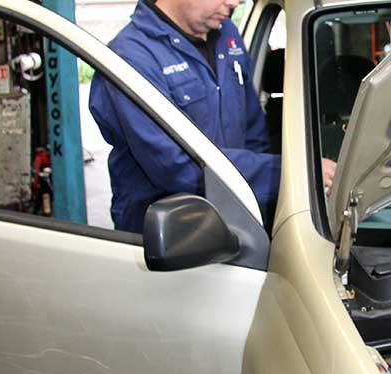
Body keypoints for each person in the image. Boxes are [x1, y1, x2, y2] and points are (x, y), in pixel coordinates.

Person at [90, 0, 336, 233]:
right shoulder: (131, 57)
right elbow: (176, 166)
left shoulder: (226, 33)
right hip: (168, 236)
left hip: (236, 217)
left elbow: (252, 128)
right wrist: (292, 174)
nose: (234, 3)